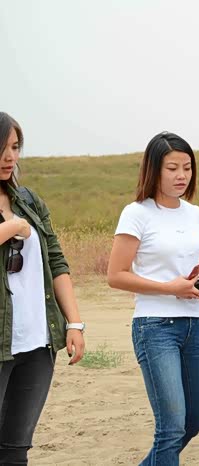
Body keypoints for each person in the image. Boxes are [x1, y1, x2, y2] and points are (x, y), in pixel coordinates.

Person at [106, 131, 199, 465]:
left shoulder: (195, 214)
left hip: (194, 325)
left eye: (187, 167)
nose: (181, 175)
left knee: (195, 420)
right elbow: (116, 275)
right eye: (172, 168)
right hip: (154, 326)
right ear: (154, 170)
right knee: (170, 428)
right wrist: (172, 288)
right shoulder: (136, 213)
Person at [0, 112, 85, 464]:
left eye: (15, 147)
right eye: (2, 148)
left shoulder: (29, 201)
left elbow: (57, 262)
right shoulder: (19, 216)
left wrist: (74, 323)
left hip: (37, 342)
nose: (10, 157)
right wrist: (12, 227)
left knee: (15, 450)